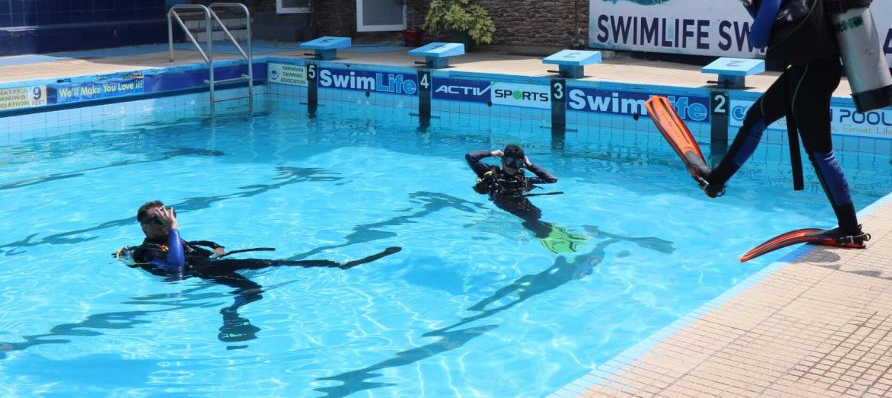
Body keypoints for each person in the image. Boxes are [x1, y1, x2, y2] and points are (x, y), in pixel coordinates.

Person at [689, 0, 869, 246]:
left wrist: (745, 3)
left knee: (820, 153)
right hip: (812, 69)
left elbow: (759, 37)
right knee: (757, 117)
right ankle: (716, 179)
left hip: (810, 73)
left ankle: (850, 229)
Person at [118, 200, 400, 342]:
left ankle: (339, 265)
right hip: (200, 273)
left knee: (273, 263)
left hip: (212, 264)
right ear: (145, 227)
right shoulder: (148, 250)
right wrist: (174, 231)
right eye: (158, 220)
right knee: (253, 289)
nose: (166, 221)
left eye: (168, 215)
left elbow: (200, 246)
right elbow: (177, 267)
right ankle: (230, 313)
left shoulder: (171, 239)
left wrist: (215, 247)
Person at [465, 145, 585, 253]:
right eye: (509, 161)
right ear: (502, 160)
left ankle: (540, 229)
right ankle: (540, 232)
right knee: (531, 218)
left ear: (521, 164)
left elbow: (551, 179)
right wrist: (492, 153)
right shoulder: (489, 173)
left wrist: (530, 166)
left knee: (536, 214)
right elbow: (470, 157)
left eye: (517, 163)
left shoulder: (522, 179)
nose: (512, 167)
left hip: (523, 205)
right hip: (506, 204)